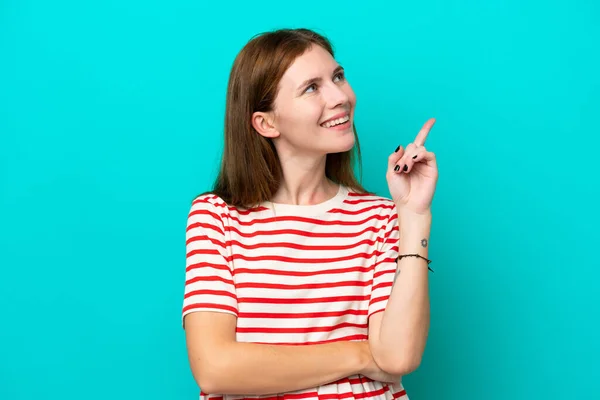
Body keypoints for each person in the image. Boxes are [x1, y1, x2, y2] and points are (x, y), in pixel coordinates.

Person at [181, 28, 438, 400]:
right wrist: (360, 352)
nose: (341, 97)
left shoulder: (380, 217)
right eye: (312, 88)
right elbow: (215, 370)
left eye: (337, 77)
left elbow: (399, 355)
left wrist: (414, 216)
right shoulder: (217, 217)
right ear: (266, 123)